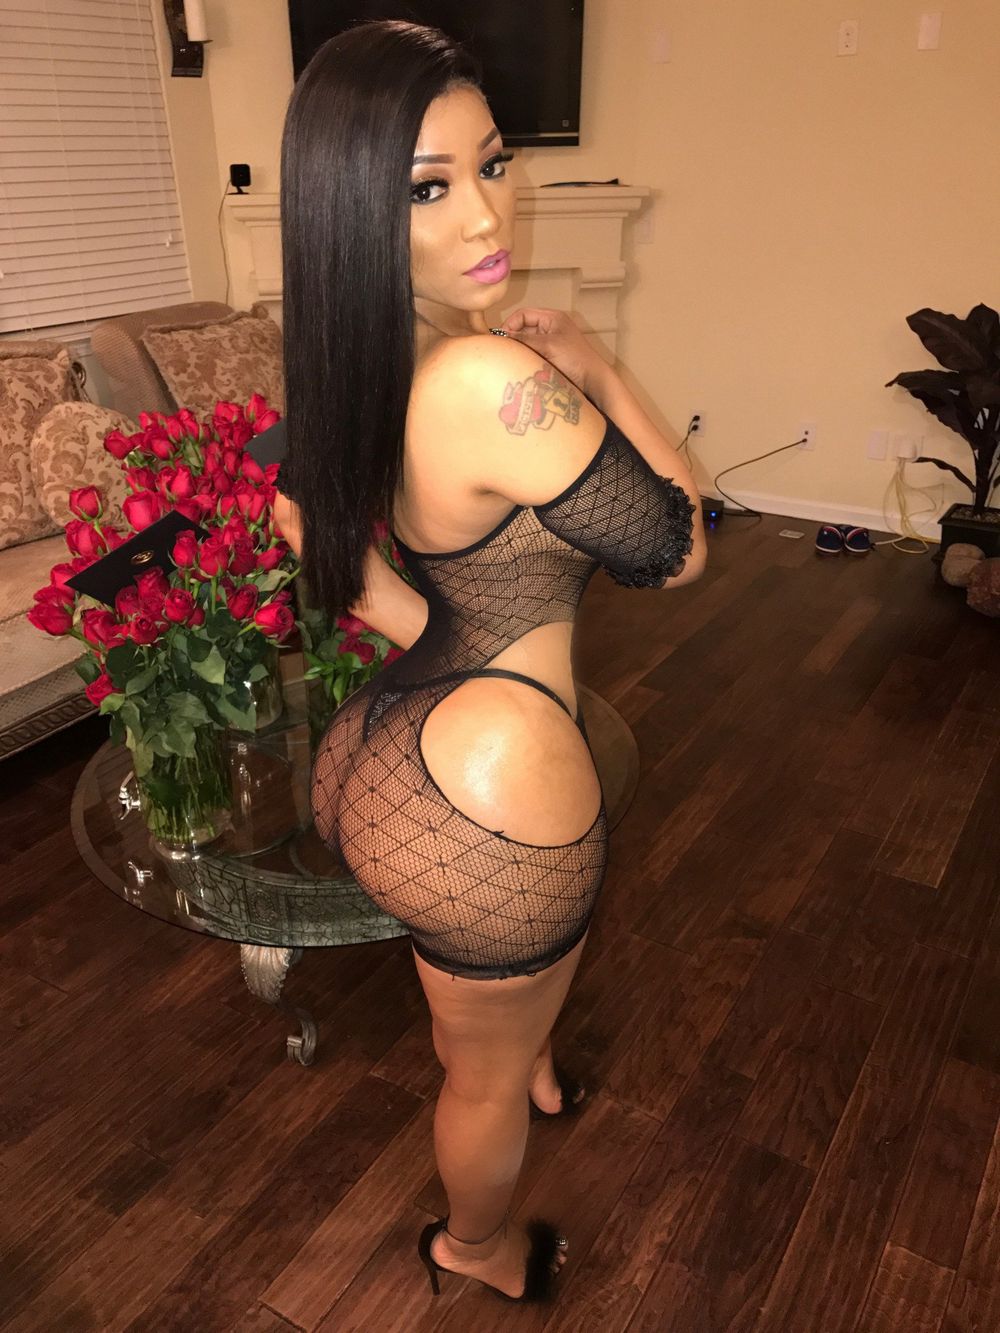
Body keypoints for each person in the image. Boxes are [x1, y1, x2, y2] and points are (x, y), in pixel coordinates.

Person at [271, 19, 708, 1305]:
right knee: (477, 1073)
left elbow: (317, 539)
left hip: (379, 753)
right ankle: (473, 1248)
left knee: (489, 1022)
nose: (484, 213)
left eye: (493, 162)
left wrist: (446, 638)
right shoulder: (484, 379)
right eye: (428, 187)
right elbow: (680, 549)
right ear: (356, 210)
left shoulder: (356, 360)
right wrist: (599, 366)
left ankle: (524, 1043)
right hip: (483, 791)